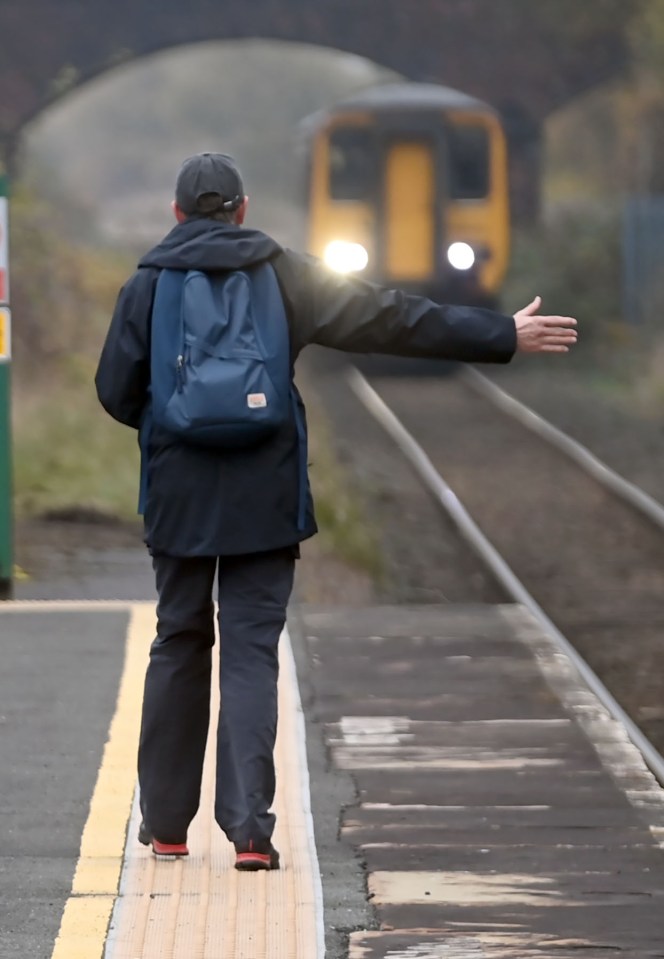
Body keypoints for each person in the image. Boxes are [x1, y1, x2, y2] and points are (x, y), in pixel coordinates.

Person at [95, 152, 577, 869]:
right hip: (266, 486)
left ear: (176, 214)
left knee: (180, 639)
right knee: (252, 648)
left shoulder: (147, 283)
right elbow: (392, 318)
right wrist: (501, 333)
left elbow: (114, 388)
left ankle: (166, 826)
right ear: (244, 208)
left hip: (180, 492)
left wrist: (173, 427)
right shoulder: (286, 271)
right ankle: (251, 831)